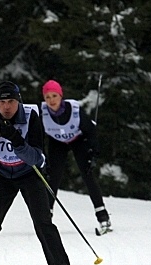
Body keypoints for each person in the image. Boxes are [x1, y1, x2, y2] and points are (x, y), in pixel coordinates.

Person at [0, 81, 74, 265]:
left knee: (43, 224)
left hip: (29, 175)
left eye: (11, 101)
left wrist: (18, 142)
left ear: (18, 101)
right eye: (2, 102)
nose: (7, 107)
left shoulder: (31, 116)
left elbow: (37, 159)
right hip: (1, 175)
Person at [40, 80, 111, 235]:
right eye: (47, 97)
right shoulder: (42, 112)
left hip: (78, 140)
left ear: (61, 96)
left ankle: (103, 216)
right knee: (53, 177)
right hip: (57, 142)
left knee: (87, 174)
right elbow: (37, 135)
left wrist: (94, 153)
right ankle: (45, 218)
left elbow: (91, 131)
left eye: (54, 96)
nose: (51, 100)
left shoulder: (73, 109)